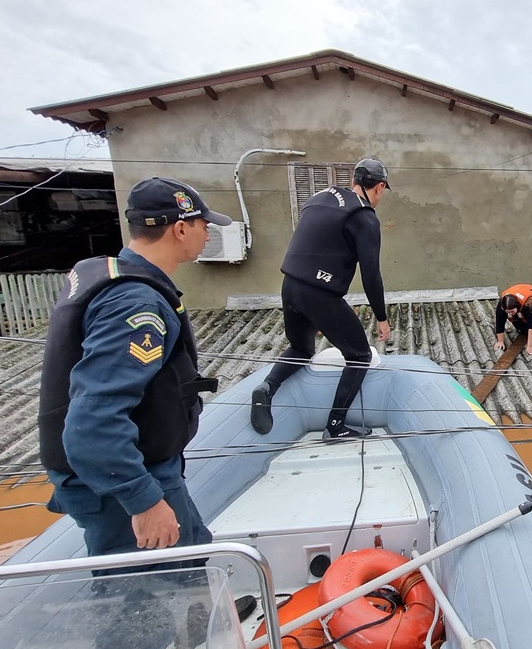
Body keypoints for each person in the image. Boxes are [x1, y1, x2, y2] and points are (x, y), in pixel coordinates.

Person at [37, 177, 228, 574]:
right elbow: (93, 419)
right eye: (203, 224)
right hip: (121, 480)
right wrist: (142, 500)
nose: (208, 233)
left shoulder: (107, 274)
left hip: (141, 465)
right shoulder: (134, 303)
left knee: (193, 554)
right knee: (148, 595)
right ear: (180, 229)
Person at [250, 158, 391, 439]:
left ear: (353, 181)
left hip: (290, 285)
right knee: (359, 355)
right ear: (379, 187)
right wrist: (381, 317)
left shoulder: (321, 197)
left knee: (301, 349)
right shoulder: (364, 217)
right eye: (383, 190)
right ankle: (335, 425)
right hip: (320, 293)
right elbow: (371, 275)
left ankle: (267, 387)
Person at [494, 283, 532, 358]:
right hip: (518, 299)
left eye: (512, 311)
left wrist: (529, 347)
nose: (510, 313)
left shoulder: (529, 304)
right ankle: (520, 322)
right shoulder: (502, 305)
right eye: (508, 312)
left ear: (517, 307)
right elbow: (499, 322)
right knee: (521, 328)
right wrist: (500, 341)